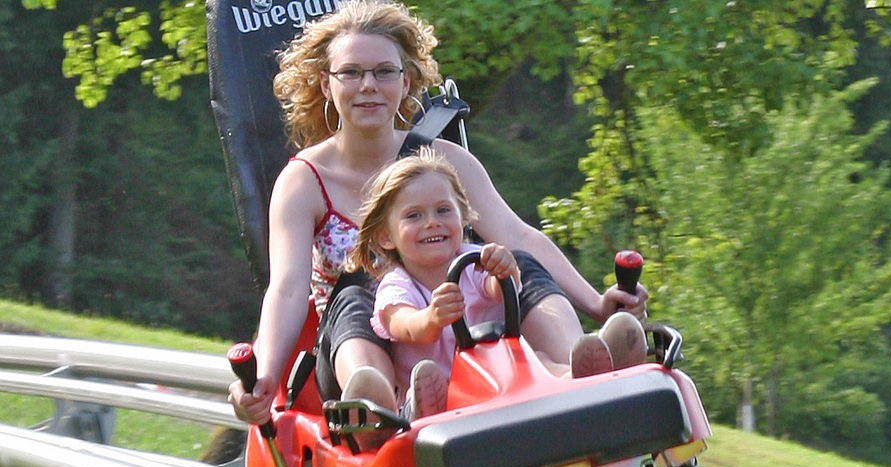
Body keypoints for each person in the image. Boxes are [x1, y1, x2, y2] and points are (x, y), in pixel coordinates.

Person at [228, 0, 645, 426]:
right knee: (355, 296)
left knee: (514, 262)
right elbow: (288, 291)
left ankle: (581, 367)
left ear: (406, 82)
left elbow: (520, 237)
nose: (368, 85)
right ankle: (376, 404)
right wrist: (263, 373)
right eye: (351, 73)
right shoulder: (303, 182)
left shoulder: (443, 160)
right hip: (363, 341)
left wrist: (598, 303)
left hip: (460, 322)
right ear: (326, 83)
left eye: (383, 72)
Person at [348, 149, 644, 436]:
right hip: (445, 387)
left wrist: (503, 271)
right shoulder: (396, 285)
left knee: (538, 358)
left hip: (498, 375)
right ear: (386, 236)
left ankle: (579, 377)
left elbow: (499, 289)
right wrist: (430, 318)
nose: (432, 222)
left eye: (443, 210)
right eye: (414, 216)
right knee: (427, 381)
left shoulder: (471, 261)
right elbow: (403, 324)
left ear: (463, 218)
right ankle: (424, 414)